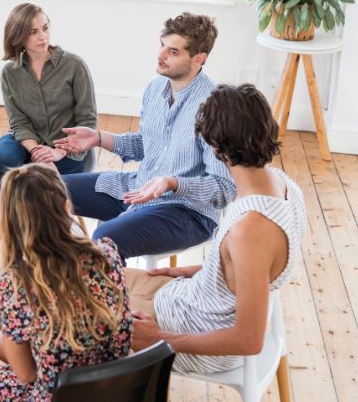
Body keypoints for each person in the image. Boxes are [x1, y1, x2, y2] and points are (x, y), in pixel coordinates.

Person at [126, 84, 307, 375]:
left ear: (214, 145)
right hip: (190, 300)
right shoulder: (281, 183)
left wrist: (159, 339)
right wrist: (198, 269)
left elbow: (248, 340)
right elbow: (251, 271)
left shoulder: (251, 229)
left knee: (74, 310)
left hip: (195, 337)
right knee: (92, 279)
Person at [55, 12, 235, 260]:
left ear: (199, 59)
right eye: (162, 45)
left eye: (173, 52)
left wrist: (173, 182)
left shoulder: (215, 105)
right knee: (41, 190)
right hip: (138, 188)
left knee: (105, 239)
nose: (161, 55)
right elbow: (146, 144)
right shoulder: (155, 86)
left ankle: (92, 293)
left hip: (187, 212)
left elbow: (224, 189)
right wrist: (98, 137)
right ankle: (45, 280)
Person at [0, 164, 132, 401]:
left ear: (9, 223)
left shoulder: (15, 286)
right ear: (66, 207)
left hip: (59, 395)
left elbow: (26, 374)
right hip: (114, 388)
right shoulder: (107, 253)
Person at [0, 2, 97, 304]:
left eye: (45, 28)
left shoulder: (74, 66)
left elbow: (87, 121)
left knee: (40, 189)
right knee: (1, 161)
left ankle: (42, 273)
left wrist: (58, 152)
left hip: (69, 150)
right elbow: (17, 121)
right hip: (27, 141)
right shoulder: (10, 73)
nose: (42, 36)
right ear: (18, 36)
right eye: (33, 32)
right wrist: (35, 150)